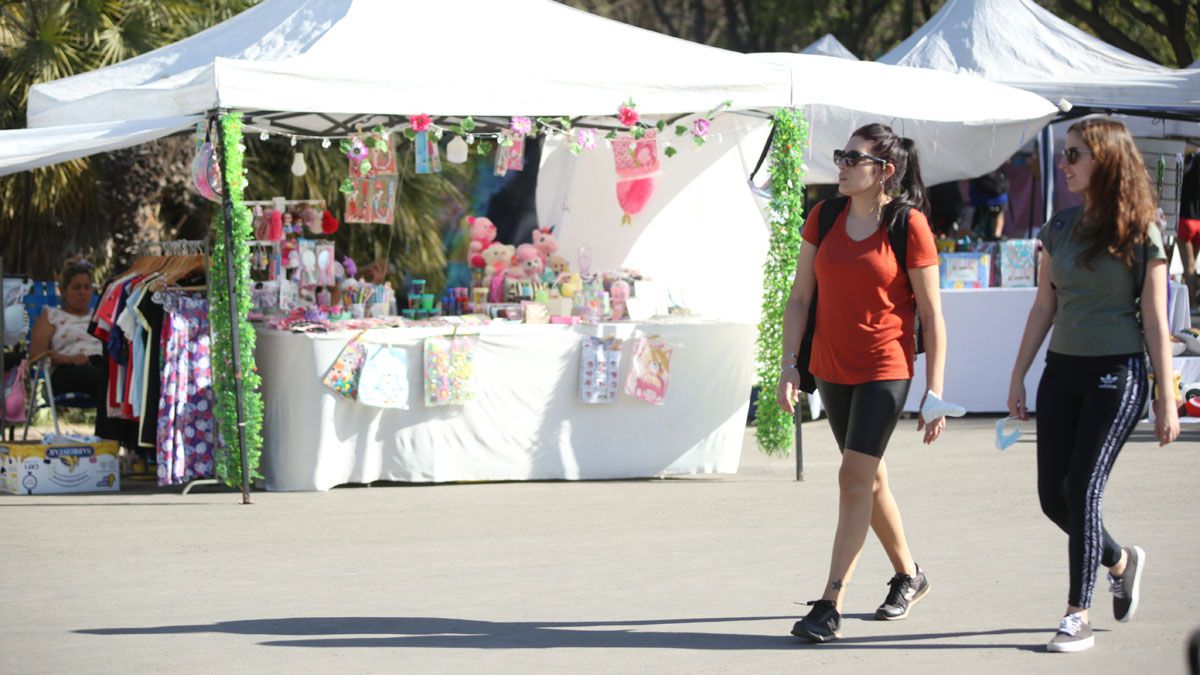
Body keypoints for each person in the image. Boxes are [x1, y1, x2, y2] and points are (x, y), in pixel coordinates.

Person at [1007, 119, 1180, 653]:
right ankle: (1121, 560)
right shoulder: (1057, 227)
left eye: (1075, 154)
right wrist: (1018, 375)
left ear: (1105, 159)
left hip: (1118, 374)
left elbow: (1155, 318)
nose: (1065, 164)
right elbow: (1044, 306)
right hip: (1062, 372)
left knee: (1082, 489)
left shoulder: (1140, 228)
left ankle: (1076, 613)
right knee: (1052, 498)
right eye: (1065, 154)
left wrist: (1166, 397)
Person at [777, 123, 948, 643]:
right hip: (831, 368)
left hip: (885, 368)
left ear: (885, 171)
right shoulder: (823, 216)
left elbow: (933, 316)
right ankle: (909, 575)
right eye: (841, 155)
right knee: (868, 481)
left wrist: (935, 390)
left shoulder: (907, 224)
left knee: (852, 477)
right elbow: (801, 297)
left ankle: (830, 604)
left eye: (854, 158)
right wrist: (789, 364)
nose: (842, 165)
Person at [28, 259, 106, 432]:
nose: (83, 293)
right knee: (107, 380)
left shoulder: (99, 317)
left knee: (116, 379)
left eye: (87, 287)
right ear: (63, 290)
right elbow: (36, 354)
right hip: (66, 372)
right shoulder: (51, 316)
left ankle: (120, 441)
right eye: (76, 287)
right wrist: (69, 359)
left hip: (99, 366)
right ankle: (105, 437)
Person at [1177, 151, 1199, 311]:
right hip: (1198, 221)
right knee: (1192, 266)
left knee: (1189, 267)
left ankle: (1191, 304)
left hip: (1185, 218)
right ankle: (1190, 303)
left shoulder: (1190, 161)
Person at [970, 168, 1010, 240]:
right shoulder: (981, 173)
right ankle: (994, 236)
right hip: (983, 204)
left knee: (999, 215)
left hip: (995, 202)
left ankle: (996, 236)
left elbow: (1005, 184)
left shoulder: (998, 172)